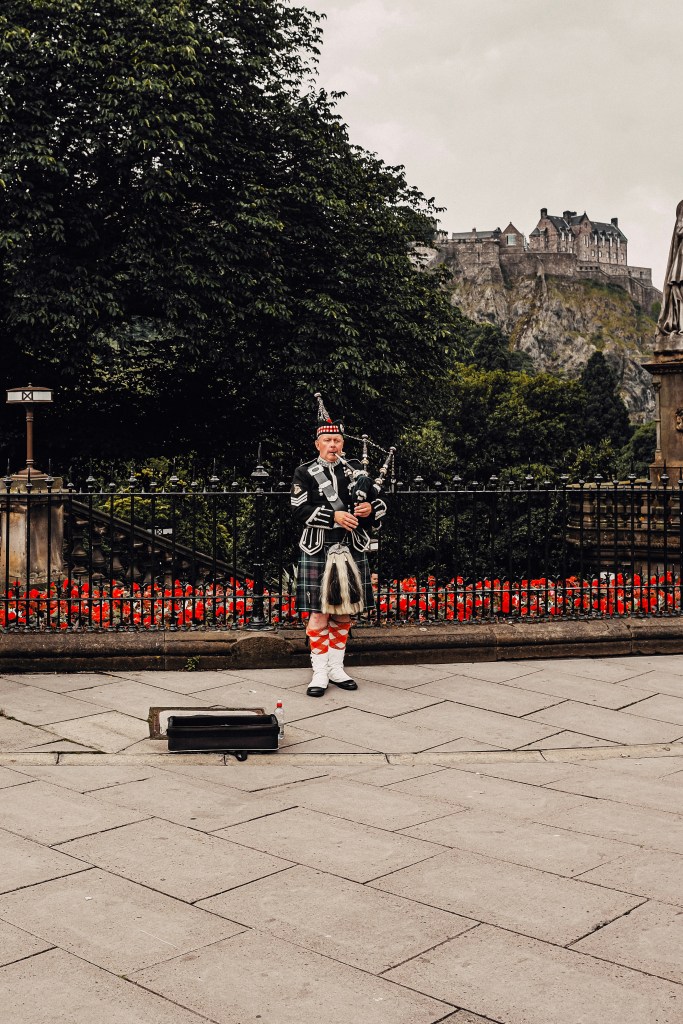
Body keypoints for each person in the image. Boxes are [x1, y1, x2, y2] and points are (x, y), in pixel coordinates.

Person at [291, 407, 387, 697]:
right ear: (317, 444)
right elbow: (298, 509)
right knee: (318, 614)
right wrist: (333, 516)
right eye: (327, 441)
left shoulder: (356, 470)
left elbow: (380, 503)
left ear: (343, 443)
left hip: (350, 546)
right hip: (318, 546)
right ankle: (319, 672)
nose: (333, 445)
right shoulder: (305, 472)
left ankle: (336, 668)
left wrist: (369, 509)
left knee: (344, 613)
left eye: (337, 441)